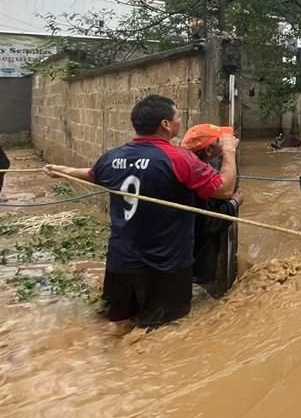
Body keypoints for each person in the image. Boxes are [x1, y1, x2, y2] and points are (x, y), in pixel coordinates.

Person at [43, 95, 238, 327]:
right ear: (165, 124)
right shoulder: (179, 158)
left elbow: (92, 174)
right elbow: (224, 189)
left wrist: (63, 170)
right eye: (177, 116)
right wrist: (229, 151)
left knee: (115, 326)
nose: (180, 120)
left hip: (120, 263)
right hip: (166, 267)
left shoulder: (112, 157)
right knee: (163, 331)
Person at [181, 123, 244, 298]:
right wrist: (234, 203)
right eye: (219, 141)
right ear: (208, 151)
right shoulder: (197, 178)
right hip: (196, 262)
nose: (224, 142)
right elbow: (209, 223)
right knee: (202, 301)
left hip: (180, 254)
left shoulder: (188, 166)